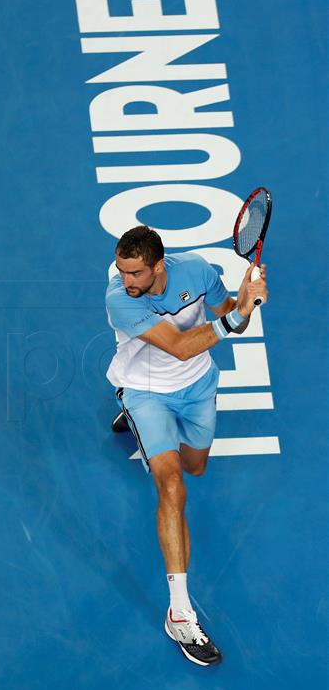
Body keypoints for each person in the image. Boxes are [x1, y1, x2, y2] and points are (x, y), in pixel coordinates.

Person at [105, 225, 267, 666]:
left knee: (195, 467)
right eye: (122, 271)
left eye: (135, 273)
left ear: (159, 265)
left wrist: (246, 298)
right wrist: (234, 320)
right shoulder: (119, 298)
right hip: (145, 390)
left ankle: (142, 426)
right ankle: (180, 612)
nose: (126, 280)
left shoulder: (195, 271)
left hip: (197, 387)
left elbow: (230, 312)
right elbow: (178, 346)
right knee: (173, 486)